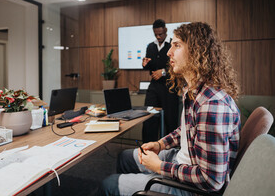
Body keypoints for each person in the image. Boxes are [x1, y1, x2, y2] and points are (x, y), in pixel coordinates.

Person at [102, 22, 241, 195]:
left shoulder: (211, 105)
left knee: (109, 184)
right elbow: (185, 130)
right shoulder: (193, 90)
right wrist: (160, 144)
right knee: (124, 157)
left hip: (193, 188)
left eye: (176, 45)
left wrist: (160, 167)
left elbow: (211, 181)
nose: (169, 52)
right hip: (182, 158)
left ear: (196, 50)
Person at [141, 19, 179, 143]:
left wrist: (162, 72)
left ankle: (170, 150)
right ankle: (147, 148)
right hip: (154, 87)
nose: (158, 36)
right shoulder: (150, 46)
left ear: (166, 30)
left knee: (170, 120)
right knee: (149, 117)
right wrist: (145, 64)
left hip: (169, 88)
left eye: (160, 34)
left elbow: (177, 66)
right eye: (156, 34)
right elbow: (150, 66)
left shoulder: (173, 45)